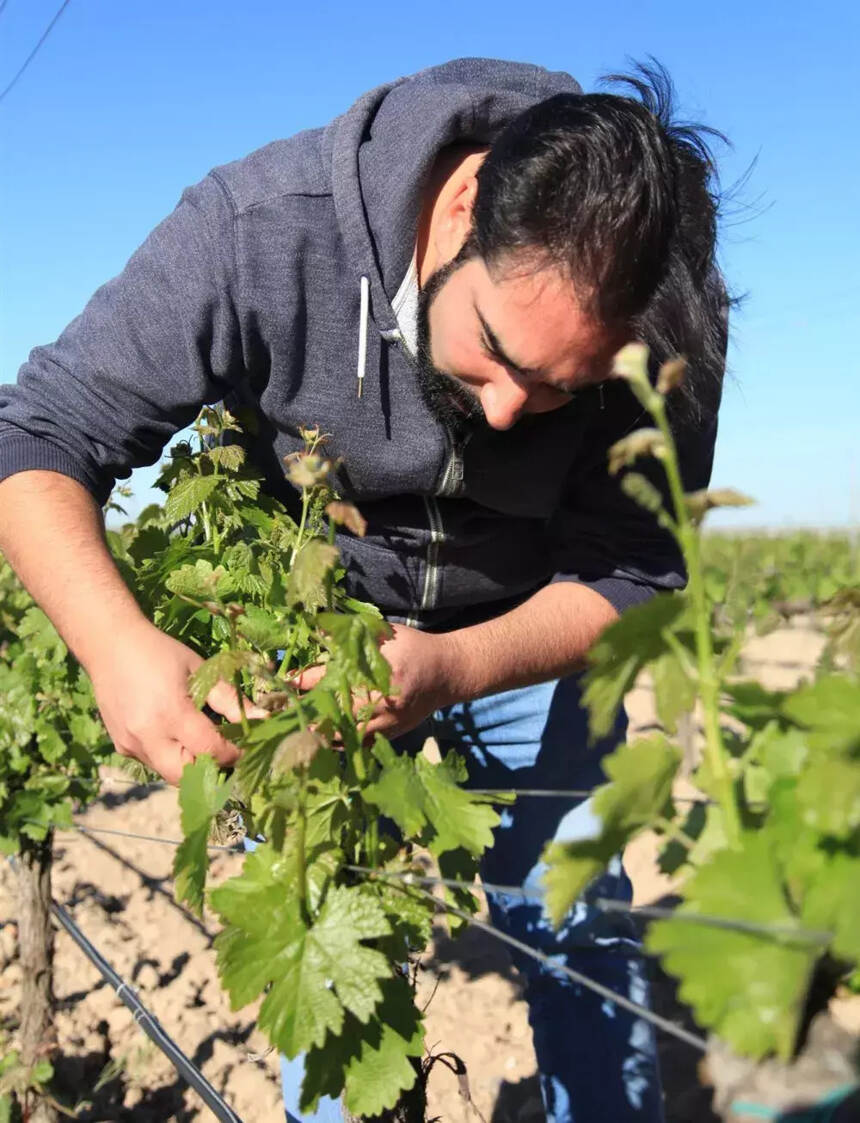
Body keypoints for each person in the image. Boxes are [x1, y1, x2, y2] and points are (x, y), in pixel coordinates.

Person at [0, 57, 729, 1123]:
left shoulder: (661, 324)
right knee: (322, 925)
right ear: (465, 203)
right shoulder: (257, 230)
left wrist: (460, 664)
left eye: (559, 391)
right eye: (491, 354)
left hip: (527, 623)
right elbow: (39, 435)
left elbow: (637, 572)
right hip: (312, 642)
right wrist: (116, 645)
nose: (509, 413)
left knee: (574, 918)